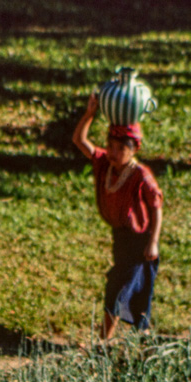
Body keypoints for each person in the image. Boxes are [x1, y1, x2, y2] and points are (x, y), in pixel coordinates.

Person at [72, 91, 163, 341]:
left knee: (118, 287)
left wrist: (153, 241)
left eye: (121, 148)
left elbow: (156, 207)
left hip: (138, 242)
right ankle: (137, 338)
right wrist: (90, 114)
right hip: (120, 239)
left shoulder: (140, 175)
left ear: (134, 150)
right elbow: (79, 140)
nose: (113, 152)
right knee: (127, 289)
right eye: (110, 146)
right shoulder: (105, 164)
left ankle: (105, 339)